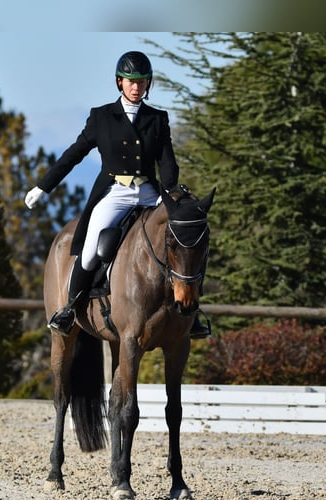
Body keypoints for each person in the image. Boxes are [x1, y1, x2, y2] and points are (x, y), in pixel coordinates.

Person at [25, 50, 211, 339]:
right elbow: (73, 155)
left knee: (183, 239)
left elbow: (167, 161)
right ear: (120, 83)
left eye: (142, 82)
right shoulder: (101, 117)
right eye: (130, 81)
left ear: (148, 84)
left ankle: (191, 314)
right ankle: (71, 308)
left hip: (150, 192)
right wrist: (43, 186)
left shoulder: (158, 119)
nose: (136, 87)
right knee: (88, 251)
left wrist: (171, 194)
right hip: (115, 193)